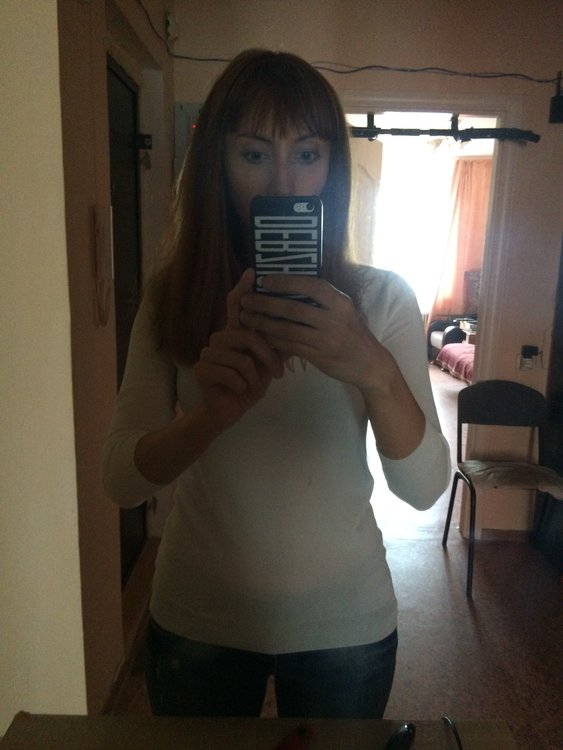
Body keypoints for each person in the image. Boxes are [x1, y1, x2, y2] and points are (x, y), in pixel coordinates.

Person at [102, 48, 450, 719]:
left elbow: (423, 488)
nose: (285, 183)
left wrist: (373, 369)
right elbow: (121, 480)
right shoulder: (171, 298)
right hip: (199, 616)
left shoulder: (381, 300)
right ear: (218, 164)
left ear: (331, 166)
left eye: (308, 154)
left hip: (345, 623)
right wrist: (210, 415)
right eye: (255, 154)